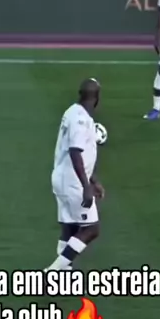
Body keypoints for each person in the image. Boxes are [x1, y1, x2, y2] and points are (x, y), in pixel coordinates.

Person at [45, 79, 105, 272]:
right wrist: (86, 186)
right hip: (73, 182)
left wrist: (93, 180)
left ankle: (63, 275)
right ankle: (52, 272)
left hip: (62, 178)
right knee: (91, 229)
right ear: (97, 98)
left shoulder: (71, 111)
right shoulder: (81, 120)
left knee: (69, 229)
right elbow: (75, 152)